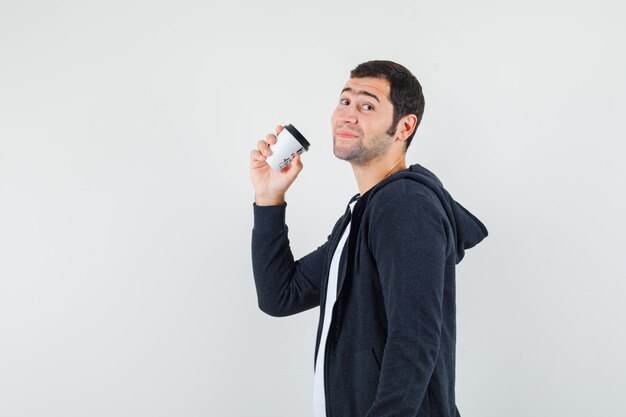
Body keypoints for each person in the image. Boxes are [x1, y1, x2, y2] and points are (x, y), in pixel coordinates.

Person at [249, 60, 488, 417]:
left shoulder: (405, 205)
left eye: (367, 106)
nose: (347, 115)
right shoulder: (364, 214)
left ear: (404, 126)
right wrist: (269, 198)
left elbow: (415, 340)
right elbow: (280, 295)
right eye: (344, 101)